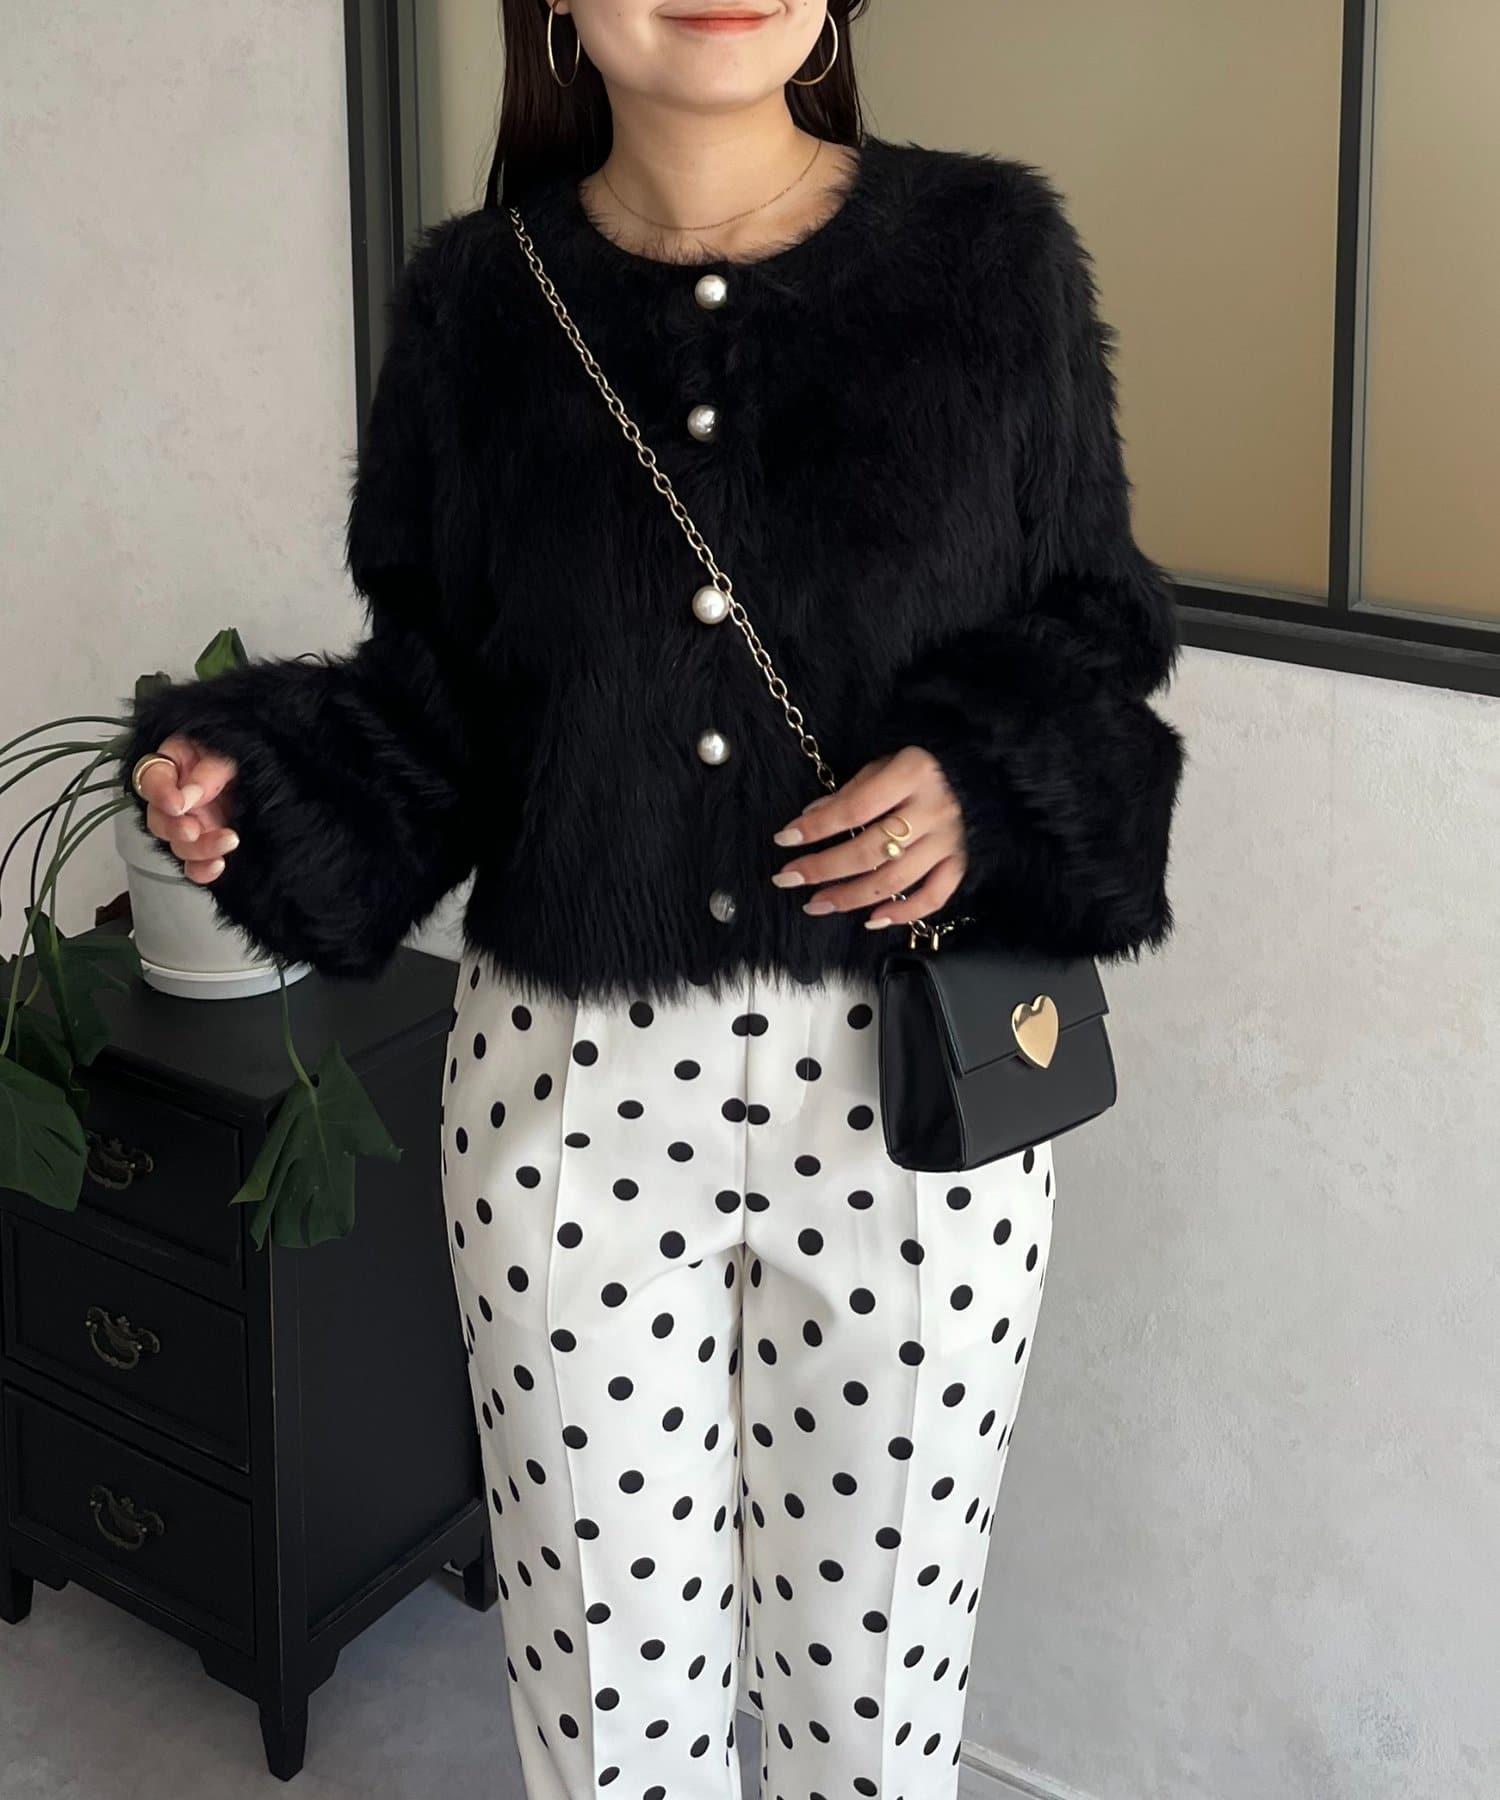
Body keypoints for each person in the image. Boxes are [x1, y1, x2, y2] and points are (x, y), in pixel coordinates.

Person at [121, 3, 1186, 1795]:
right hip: (569, 1110)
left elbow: (1097, 624)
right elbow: (443, 704)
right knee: (608, 1716)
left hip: (911, 1112)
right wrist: (267, 776)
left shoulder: (990, 258)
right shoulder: (474, 306)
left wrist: (988, 777)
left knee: (875, 1714)